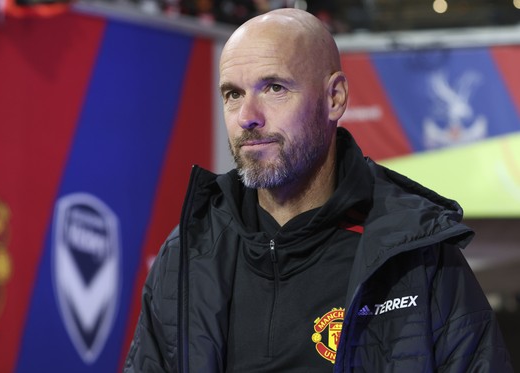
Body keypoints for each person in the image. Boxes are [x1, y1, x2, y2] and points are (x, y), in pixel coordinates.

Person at [124, 8, 512, 372]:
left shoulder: (416, 253)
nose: (247, 117)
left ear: (335, 98)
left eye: (274, 88)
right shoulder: (189, 253)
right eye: (233, 94)